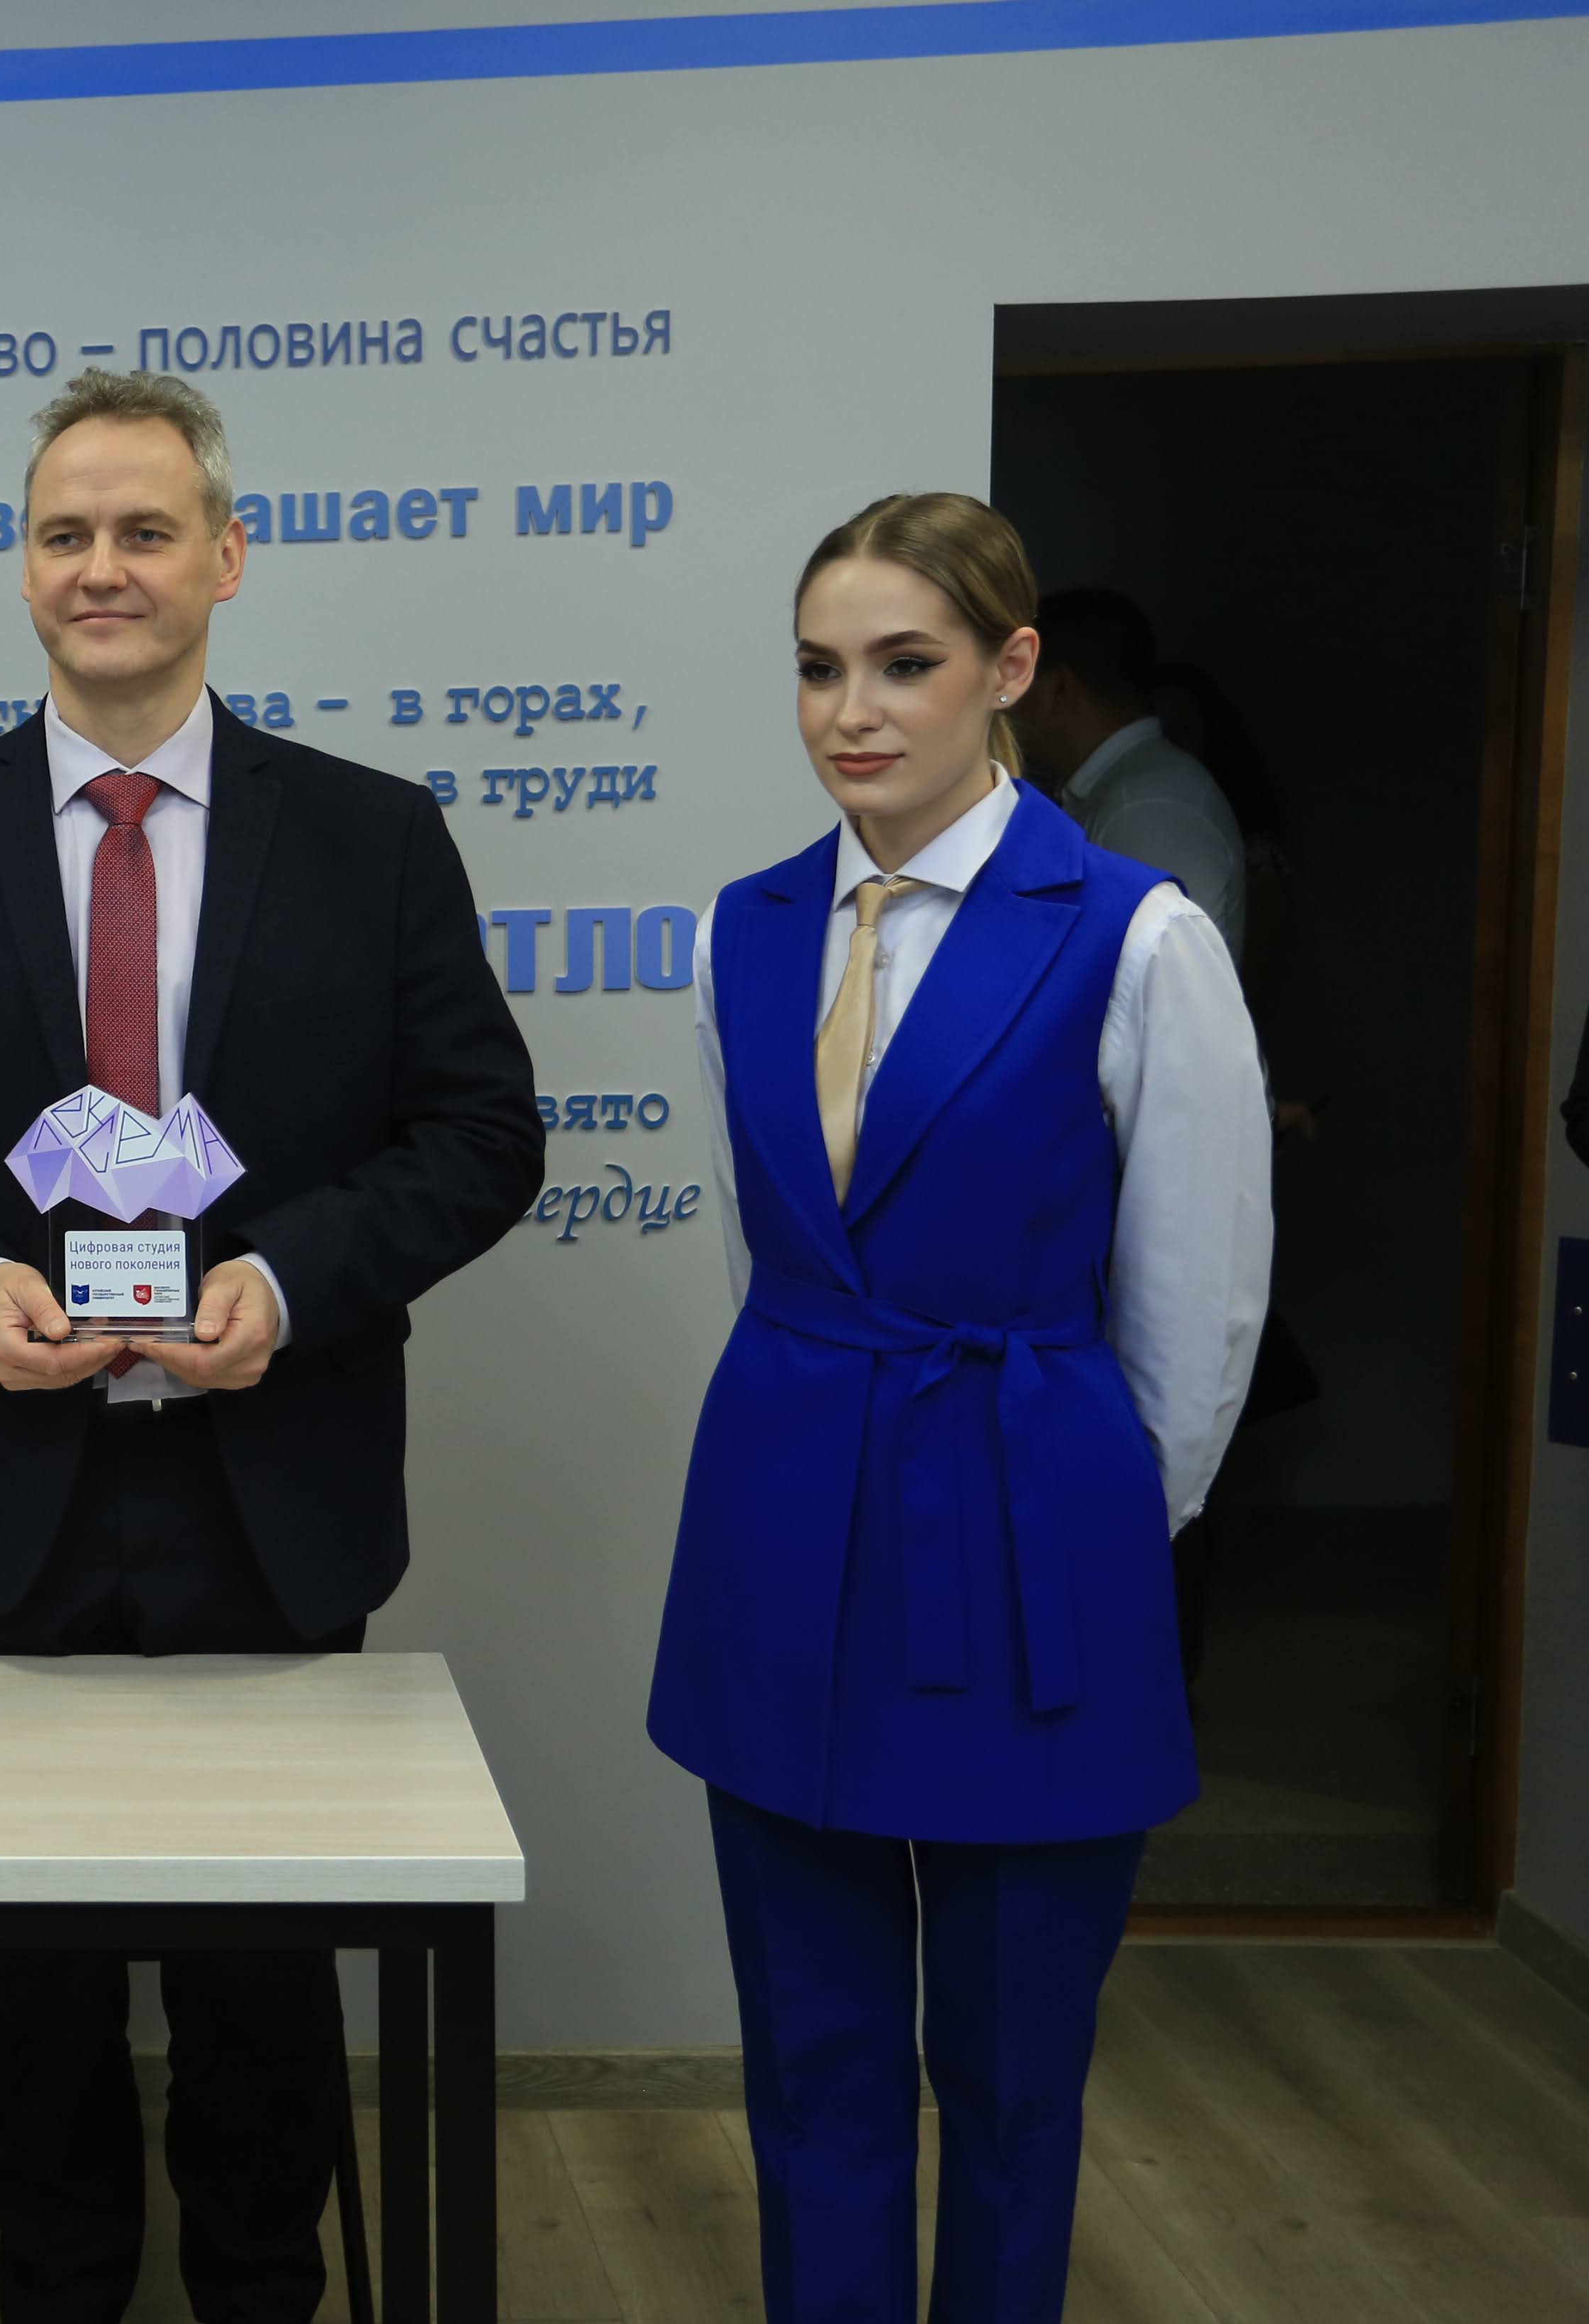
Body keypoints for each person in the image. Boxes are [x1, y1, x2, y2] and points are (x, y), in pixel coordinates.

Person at [0, 368, 540, 2323]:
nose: (98, 568)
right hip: (4, 1497)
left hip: (263, 1494)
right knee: (25, 1990)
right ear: (21, 566)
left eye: (140, 530)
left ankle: (260, 2291)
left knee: (259, 1991)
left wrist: (284, 1283)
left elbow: (478, 1134)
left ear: (225, 556)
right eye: (62, 534)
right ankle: (60, 2289)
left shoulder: (368, 835)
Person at [648, 495, 1270, 2321]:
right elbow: (777, 1258)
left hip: (1029, 1535)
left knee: (1009, 2076)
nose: (851, 711)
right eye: (817, 668)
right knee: (809, 2060)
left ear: (1008, 670)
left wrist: (1093, 1520)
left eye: (903, 664)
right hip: (782, 1527)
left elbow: (1195, 1306)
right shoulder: (745, 929)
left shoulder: (1134, 933)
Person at [1009, 586, 1250, 965]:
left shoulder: (1149, 807)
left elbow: (1155, 974)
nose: (1005, 700)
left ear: (1058, 687)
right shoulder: (1122, 788)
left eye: (1019, 676)